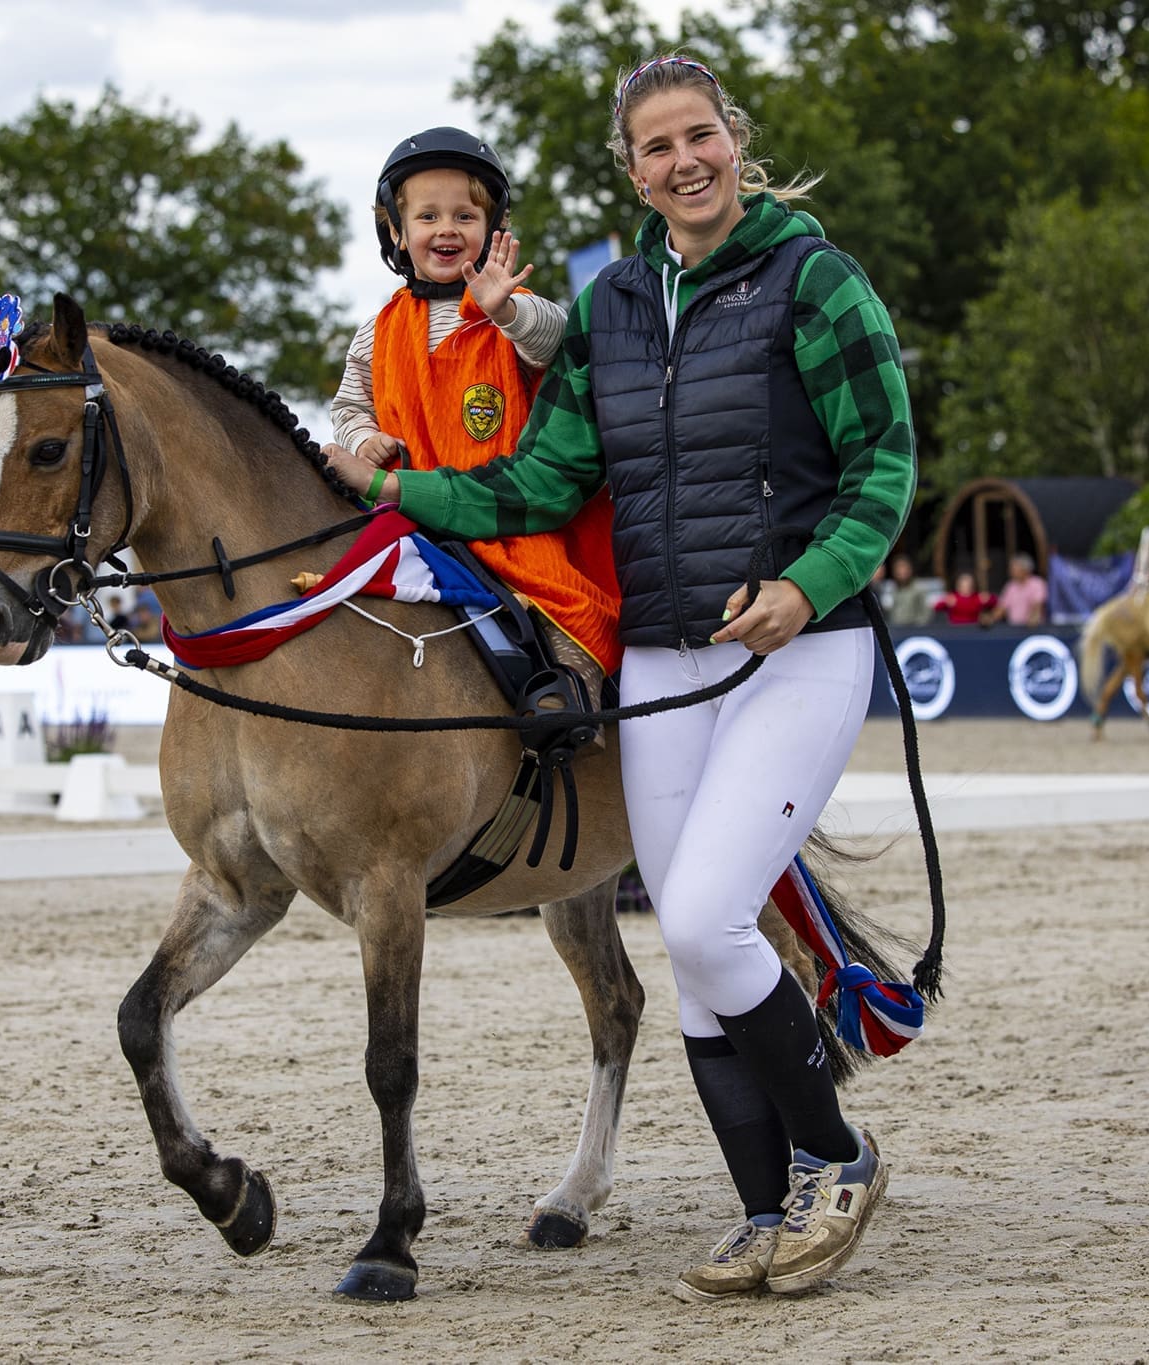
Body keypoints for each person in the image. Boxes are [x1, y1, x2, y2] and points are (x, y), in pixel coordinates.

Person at [324, 52, 913, 1300]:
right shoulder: (614, 303)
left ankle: (837, 1157)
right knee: (698, 963)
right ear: (633, 173)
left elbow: (884, 463)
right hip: (657, 655)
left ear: (731, 140)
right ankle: (764, 1213)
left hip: (797, 647)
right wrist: (397, 487)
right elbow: (542, 482)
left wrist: (809, 582)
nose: (682, 162)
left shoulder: (816, 280)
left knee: (699, 918)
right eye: (656, 148)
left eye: (698, 136)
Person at [322, 125, 621, 700]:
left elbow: (556, 343)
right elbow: (349, 404)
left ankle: (571, 688)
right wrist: (361, 440)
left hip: (505, 519)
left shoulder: (511, 306)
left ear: (492, 227)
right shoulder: (376, 330)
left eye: (465, 215)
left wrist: (505, 311)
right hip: (408, 512)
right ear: (396, 230)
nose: (447, 229)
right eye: (427, 216)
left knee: (564, 601)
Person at [994, 554, 1047, 627]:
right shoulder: (1010, 586)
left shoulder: (1037, 583)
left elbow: (1037, 606)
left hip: (1033, 629)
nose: (1010, 571)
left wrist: (1034, 618)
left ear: (1025, 570)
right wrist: (990, 618)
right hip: (1014, 629)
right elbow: (1001, 608)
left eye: (1014, 569)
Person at [884, 553, 932, 628]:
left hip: (914, 630)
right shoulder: (891, 590)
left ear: (910, 569)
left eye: (904, 567)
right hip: (895, 629)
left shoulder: (919, 589)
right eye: (898, 568)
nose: (901, 571)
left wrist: (917, 627)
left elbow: (926, 614)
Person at [931, 570, 996, 626]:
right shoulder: (953, 598)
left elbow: (995, 602)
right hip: (955, 629)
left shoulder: (977, 598)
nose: (966, 588)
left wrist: (988, 598)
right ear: (958, 586)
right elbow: (936, 607)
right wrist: (945, 601)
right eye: (964, 585)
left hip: (974, 628)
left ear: (973, 586)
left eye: (969, 585)